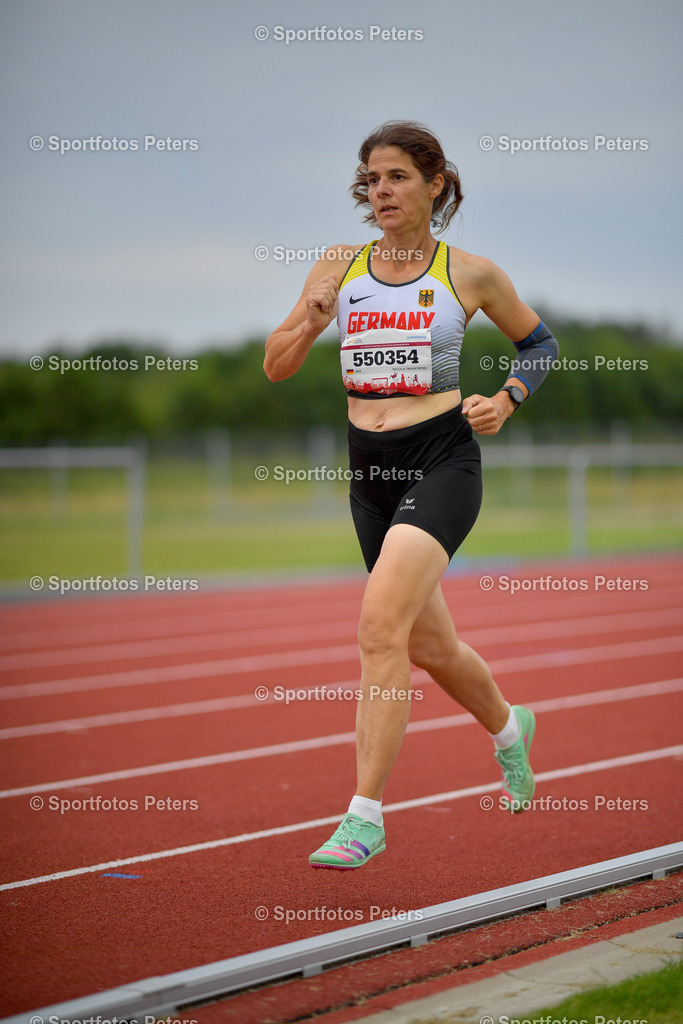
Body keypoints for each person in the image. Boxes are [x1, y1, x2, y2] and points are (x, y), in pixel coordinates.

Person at [264, 120, 559, 870]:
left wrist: (509, 398)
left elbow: (540, 344)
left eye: (395, 176)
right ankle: (507, 728)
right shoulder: (339, 264)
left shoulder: (472, 273)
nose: (380, 190)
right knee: (428, 645)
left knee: (376, 630)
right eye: (370, 178)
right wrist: (311, 317)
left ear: (434, 184)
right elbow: (276, 365)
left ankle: (363, 816)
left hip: (441, 461)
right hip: (370, 470)